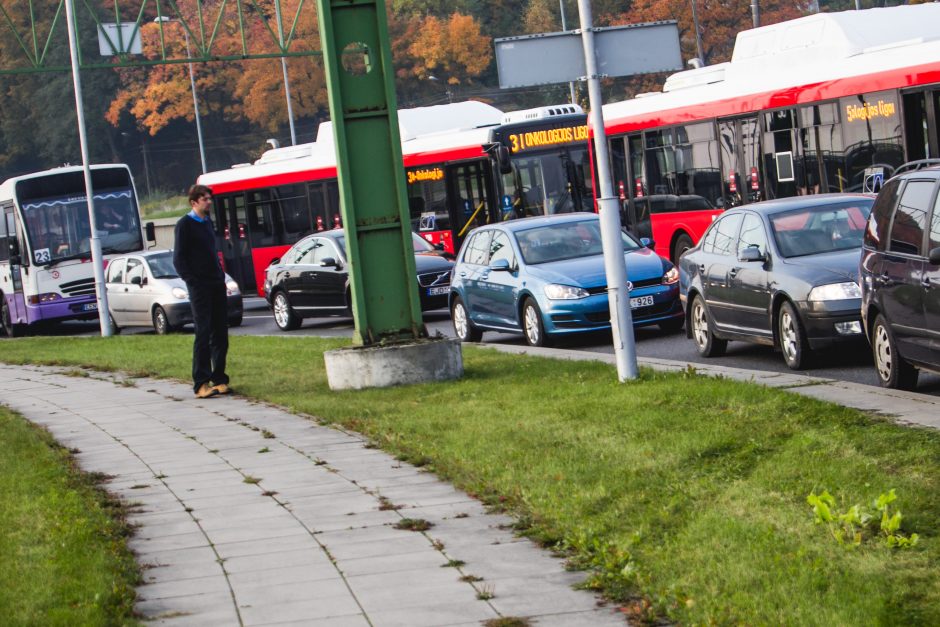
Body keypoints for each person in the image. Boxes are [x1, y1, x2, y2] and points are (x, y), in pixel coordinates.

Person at [173, 184, 231, 399]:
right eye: (205, 199)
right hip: (200, 287)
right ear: (194, 202)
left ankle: (219, 378)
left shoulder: (208, 222)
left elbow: (211, 253)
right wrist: (193, 281)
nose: (209, 202)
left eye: (209, 198)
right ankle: (201, 383)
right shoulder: (184, 225)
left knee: (221, 333)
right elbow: (179, 259)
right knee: (203, 333)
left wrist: (220, 275)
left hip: (216, 283)